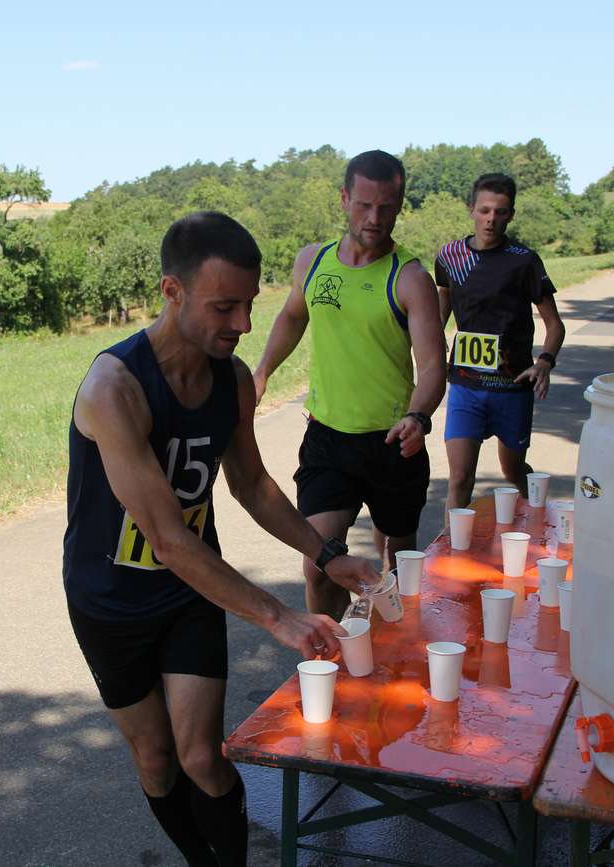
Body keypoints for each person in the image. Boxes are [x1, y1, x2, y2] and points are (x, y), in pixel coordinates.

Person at [63, 211, 380, 867]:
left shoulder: (231, 379)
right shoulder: (114, 389)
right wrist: (279, 615)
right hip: (110, 598)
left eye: (249, 303)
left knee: (203, 757)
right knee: (156, 758)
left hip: (188, 594)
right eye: (224, 306)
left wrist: (327, 555)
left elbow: (252, 484)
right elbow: (167, 538)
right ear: (172, 291)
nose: (244, 324)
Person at [252, 150, 446, 619]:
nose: (374, 218)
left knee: (399, 564)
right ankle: (333, 655)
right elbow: (292, 316)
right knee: (319, 567)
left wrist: (418, 416)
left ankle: (396, 644)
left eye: (386, 207)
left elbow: (432, 366)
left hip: (393, 443)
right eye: (364, 205)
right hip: (328, 441)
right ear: (344, 199)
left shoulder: (410, 278)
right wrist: (262, 373)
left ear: (400, 205)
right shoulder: (313, 262)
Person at [434, 173, 566, 510]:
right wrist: (431, 342)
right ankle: (454, 543)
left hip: (511, 387)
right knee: (460, 478)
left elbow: (555, 325)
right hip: (465, 385)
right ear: (471, 210)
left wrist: (544, 363)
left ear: (511, 215)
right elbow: (443, 304)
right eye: (484, 210)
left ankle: (538, 516)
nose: (491, 219)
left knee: (514, 471)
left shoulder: (524, 261)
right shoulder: (450, 256)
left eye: (500, 212)